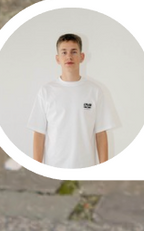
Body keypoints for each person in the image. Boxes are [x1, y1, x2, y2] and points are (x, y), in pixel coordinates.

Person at [27, 32, 120, 166]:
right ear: (57, 58)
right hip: (54, 167)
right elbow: (39, 133)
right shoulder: (46, 91)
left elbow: (100, 133)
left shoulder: (94, 91)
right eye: (64, 52)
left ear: (82, 57)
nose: (69, 56)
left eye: (74, 52)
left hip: (85, 166)